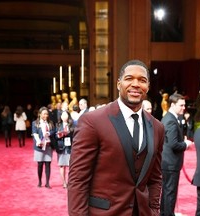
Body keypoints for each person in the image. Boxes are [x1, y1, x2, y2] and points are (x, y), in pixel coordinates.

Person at [68, 59, 165, 215]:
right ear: (119, 83)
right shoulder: (93, 121)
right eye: (129, 79)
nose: (135, 84)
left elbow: (155, 178)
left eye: (142, 80)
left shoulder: (157, 127)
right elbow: (78, 180)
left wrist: (153, 210)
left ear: (147, 87)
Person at [160, 93, 193, 216]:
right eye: (181, 105)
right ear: (173, 105)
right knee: (170, 193)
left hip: (168, 163)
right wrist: (186, 144)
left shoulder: (169, 118)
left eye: (184, 105)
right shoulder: (171, 121)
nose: (184, 107)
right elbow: (173, 144)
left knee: (167, 193)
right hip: (170, 164)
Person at [32, 106, 55, 189]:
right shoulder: (35, 123)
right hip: (40, 146)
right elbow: (34, 133)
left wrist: (49, 133)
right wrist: (38, 141)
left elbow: (53, 130)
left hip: (48, 146)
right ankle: (40, 181)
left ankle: (47, 183)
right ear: (40, 114)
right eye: (44, 114)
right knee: (40, 164)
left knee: (48, 164)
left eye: (47, 114)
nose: (46, 115)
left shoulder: (50, 123)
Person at [55, 110, 74, 189]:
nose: (64, 116)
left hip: (70, 147)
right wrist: (59, 135)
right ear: (61, 117)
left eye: (65, 115)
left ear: (68, 116)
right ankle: (64, 182)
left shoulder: (72, 125)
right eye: (62, 115)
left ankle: (70, 182)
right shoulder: (58, 125)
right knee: (62, 165)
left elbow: (74, 136)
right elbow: (55, 136)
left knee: (71, 166)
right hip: (61, 147)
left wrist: (69, 133)